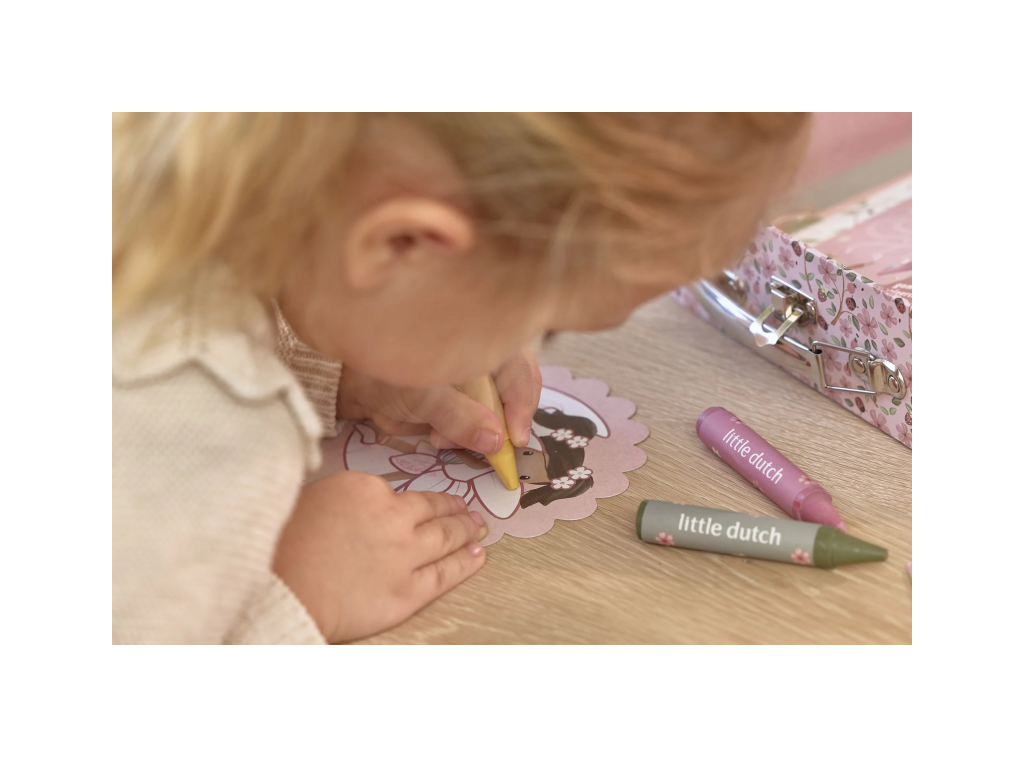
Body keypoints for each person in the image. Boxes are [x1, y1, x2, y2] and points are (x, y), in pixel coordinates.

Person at [112, 112, 810, 644]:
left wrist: (339, 374)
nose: (522, 355)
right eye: (541, 325)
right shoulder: (203, 426)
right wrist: (294, 597)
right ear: (405, 245)